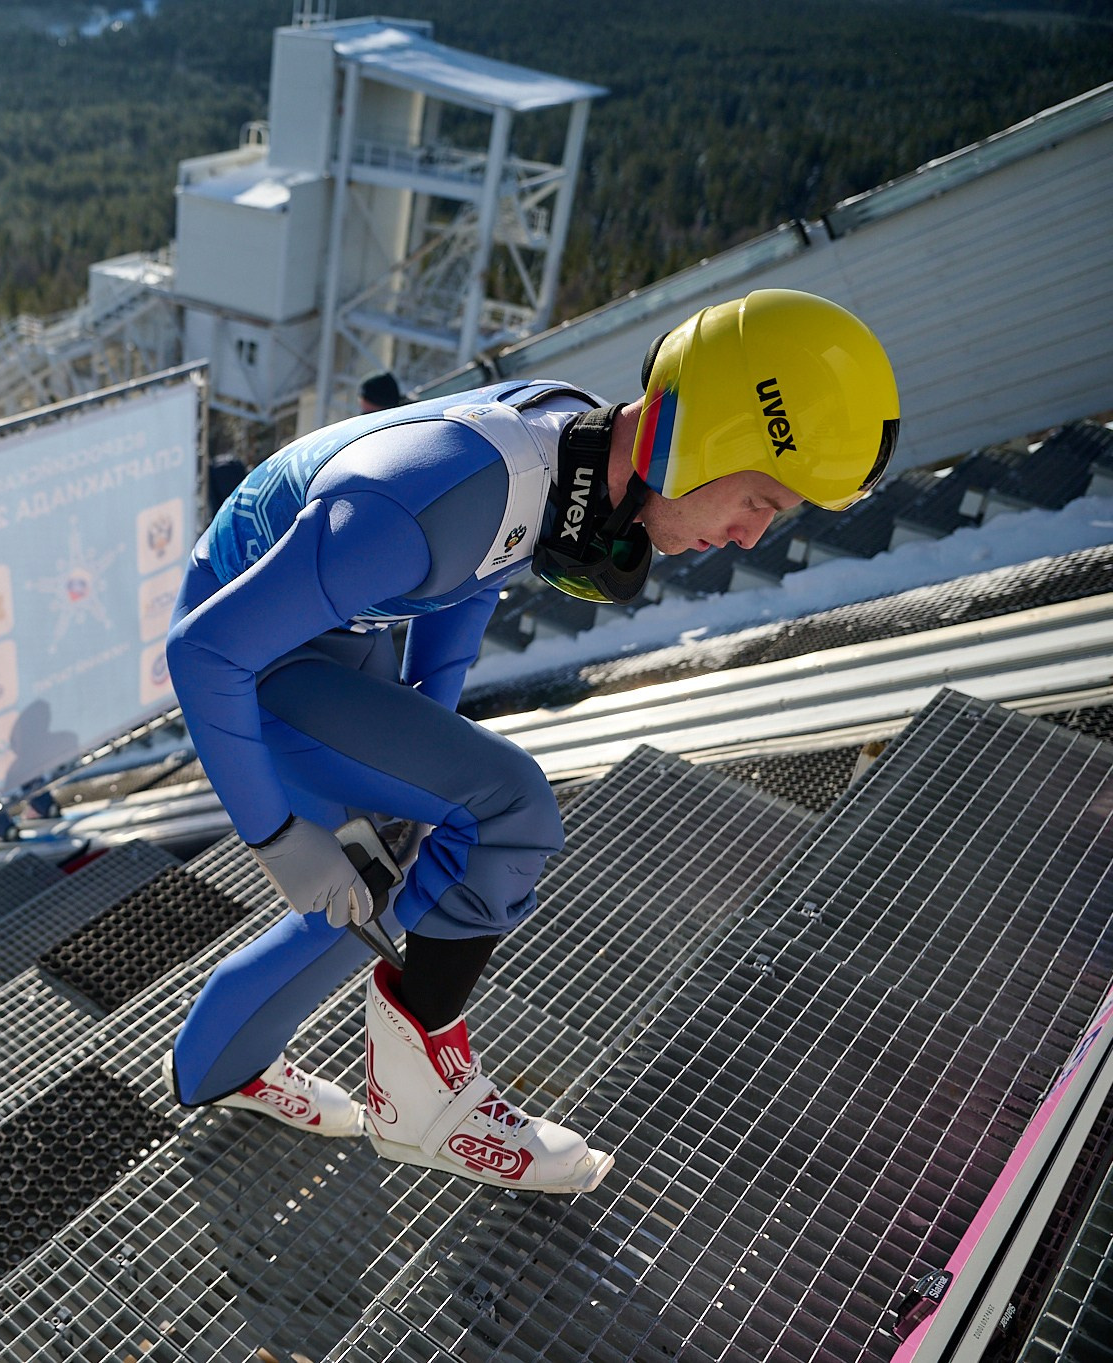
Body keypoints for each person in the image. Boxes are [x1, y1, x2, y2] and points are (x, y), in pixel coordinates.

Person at [163, 289, 897, 1194]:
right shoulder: (431, 506)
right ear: (699, 439)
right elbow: (202, 653)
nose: (749, 534)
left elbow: (468, 587)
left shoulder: (564, 451)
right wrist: (274, 836)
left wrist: (422, 773)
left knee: (376, 876)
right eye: (759, 498)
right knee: (511, 807)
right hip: (259, 652)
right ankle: (419, 1107)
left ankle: (215, 1067)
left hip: (325, 636)